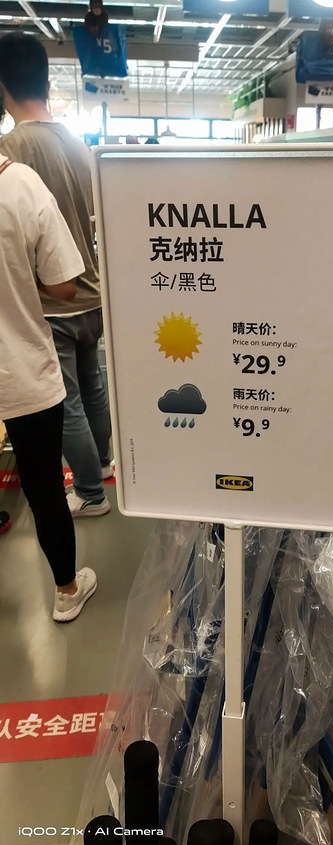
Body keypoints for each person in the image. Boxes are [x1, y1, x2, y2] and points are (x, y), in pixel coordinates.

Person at [0, 33, 112, 518]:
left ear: (3, 88)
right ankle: (104, 464)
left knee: (67, 404)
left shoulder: (11, 150)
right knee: (93, 386)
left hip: (54, 300)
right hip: (93, 293)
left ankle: (90, 492)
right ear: (47, 84)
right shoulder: (78, 143)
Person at [0, 146, 97, 621]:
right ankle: (66, 589)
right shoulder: (20, 184)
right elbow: (64, 285)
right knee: (43, 486)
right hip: (18, 365)